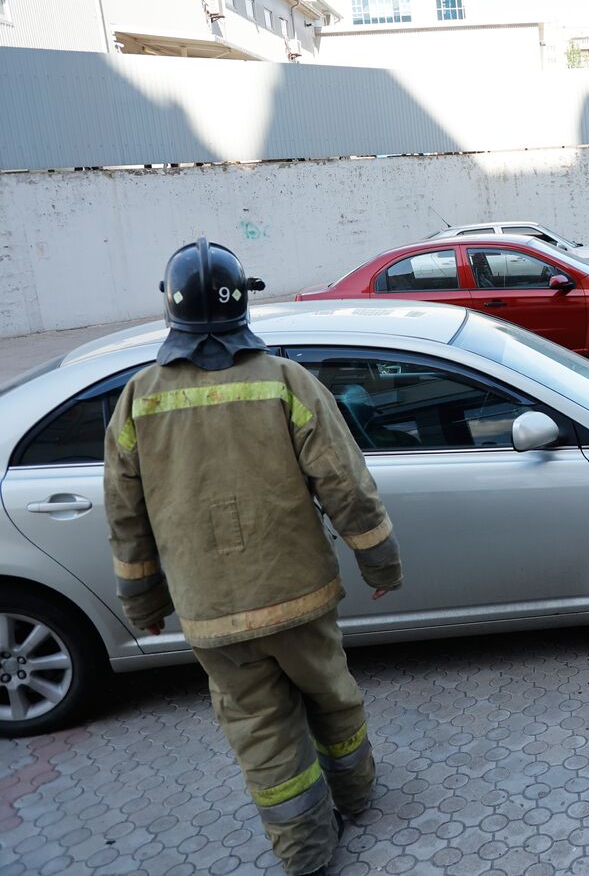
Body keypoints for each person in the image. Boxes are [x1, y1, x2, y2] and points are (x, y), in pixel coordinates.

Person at [105, 239, 404, 876]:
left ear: (170, 310)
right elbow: (346, 485)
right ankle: (355, 795)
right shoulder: (287, 382)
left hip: (212, 613)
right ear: (244, 302)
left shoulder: (137, 401)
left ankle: (305, 853)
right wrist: (380, 565)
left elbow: (126, 520)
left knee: (261, 733)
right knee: (333, 701)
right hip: (299, 595)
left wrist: (143, 603)